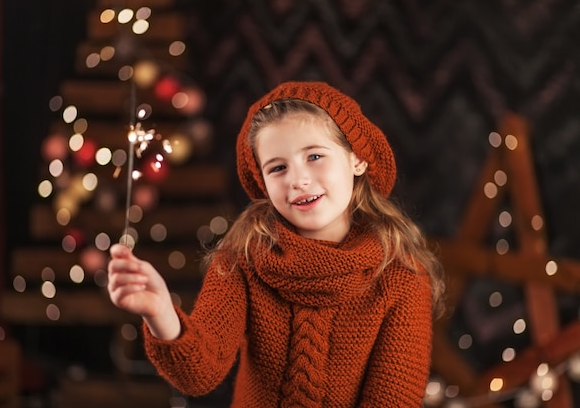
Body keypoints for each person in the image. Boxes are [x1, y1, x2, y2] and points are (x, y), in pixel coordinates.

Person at [107, 81, 445, 407]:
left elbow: (393, 399)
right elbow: (200, 374)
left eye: (314, 156)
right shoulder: (243, 262)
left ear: (356, 158)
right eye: (278, 167)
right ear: (263, 183)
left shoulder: (400, 276)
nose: (297, 180)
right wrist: (161, 312)